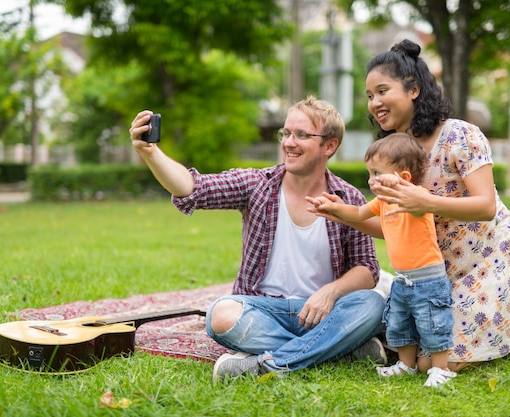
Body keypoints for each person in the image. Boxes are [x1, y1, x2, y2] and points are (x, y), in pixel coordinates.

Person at [128, 95, 388, 381]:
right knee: (221, 315)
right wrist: (151, 153)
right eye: (286, 133)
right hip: (264, 310)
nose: (289, 142)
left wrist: (330, 292)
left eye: (302, 135)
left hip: (321, 314)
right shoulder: (257, 184)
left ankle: (269, 363)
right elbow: (193, 188)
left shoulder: (347, 197)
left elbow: (367, 269)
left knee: (372, 304)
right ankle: (339, 350)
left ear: (329, 145)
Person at [360, 39, 510, 372]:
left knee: (433, 362)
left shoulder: (460, 135)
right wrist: (340, 214)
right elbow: (392, 224)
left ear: (413, 90)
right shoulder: (395, 153)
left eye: (382, 91)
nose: (375, 103)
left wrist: (425, 202)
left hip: (488, 261)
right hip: (435, 276)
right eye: (370, 96)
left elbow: (486, 205)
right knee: (414, 355)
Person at [307, 132, 456, 387]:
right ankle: (406, 365)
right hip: (403, 279)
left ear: (404, 178)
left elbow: (417, 199)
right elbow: (358, 212)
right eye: (370, 173)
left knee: (434, 324)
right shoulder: (383, 202)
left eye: (377, 173)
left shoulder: (416, 198)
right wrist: (334, 206)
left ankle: (441, 369)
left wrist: (408, 194)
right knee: (400, 324)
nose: (371, 180)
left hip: (428, 280)